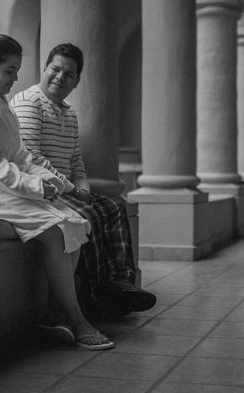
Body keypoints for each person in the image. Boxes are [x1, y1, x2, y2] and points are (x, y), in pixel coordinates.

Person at [0, 19, 114, 350]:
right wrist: (36, 188)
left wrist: (57, 184)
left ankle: (53, 314)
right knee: (57, 228)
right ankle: (76, 318)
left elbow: (21, 156)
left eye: (16, 71)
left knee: (75, 221)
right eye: (10, 71)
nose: (15, 79)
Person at [10, 43, 156, 319]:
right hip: (41, 190)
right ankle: (97, 293)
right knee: (87, 215)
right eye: (55, 69)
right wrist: (72, 189)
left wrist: (84, 187)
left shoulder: (69, 113)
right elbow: (31, 157)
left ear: (76, 82)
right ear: (45, 68)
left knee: (113, 208)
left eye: (69, 74)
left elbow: (76, 159)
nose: (60, 77)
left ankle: (121, 283)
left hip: (65, 189)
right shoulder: (29, 102)